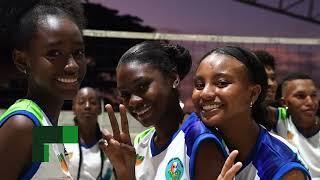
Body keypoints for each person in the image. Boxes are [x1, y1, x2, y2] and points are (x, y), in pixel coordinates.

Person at [100, 41, 228, 180]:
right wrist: (125, 175)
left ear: (173, 78)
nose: (133, 101)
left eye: (142, 86)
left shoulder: (199, 140)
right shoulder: (140, 141)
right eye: (125, 95)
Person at [191, 46, 311, 179]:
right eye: (199, 85)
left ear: (253, 93)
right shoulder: (194, 130)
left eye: (221, 83)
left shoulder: (283, 168)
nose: (205, 93)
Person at [0, 0, 86, 179]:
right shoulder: (22, 124)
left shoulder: (44, 125)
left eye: (78, 52)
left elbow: (42, 172)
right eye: (54, 53)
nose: (72, 66)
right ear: (22, 61)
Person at [269, 72, 320, 178]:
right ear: (284, 103)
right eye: (301, 96)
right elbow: (253, 108)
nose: (310, 102)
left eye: (314, 95)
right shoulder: (281, 119)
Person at [65, 87, 113, 180]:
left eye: (93, 103)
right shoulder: (65, 134)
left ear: (99, 109)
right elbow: (38, 138)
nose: (87, 106)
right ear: (74, 108)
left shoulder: (107, 141)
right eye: (81, 102)